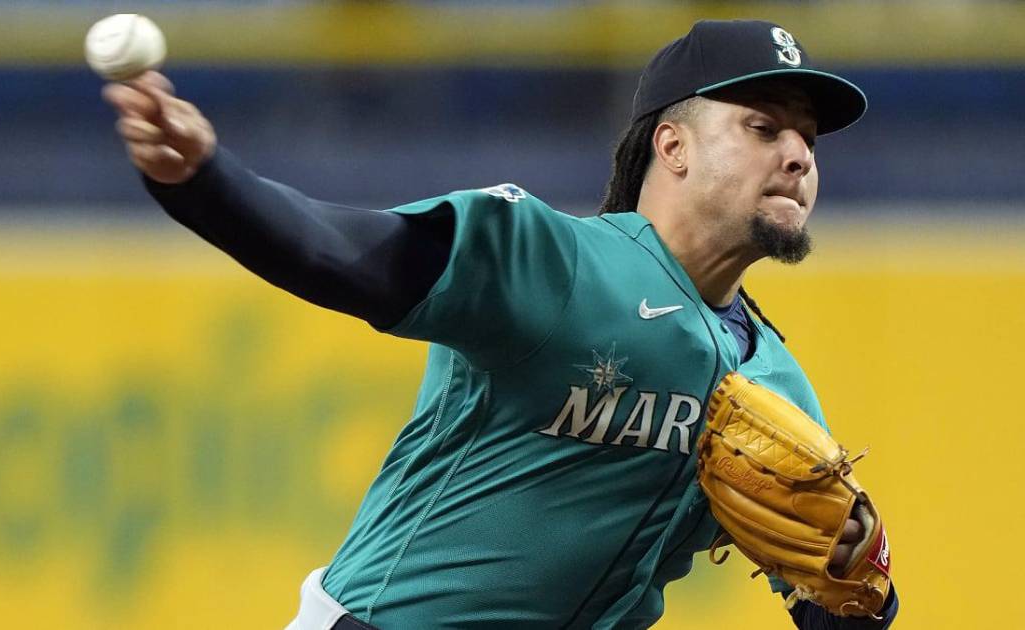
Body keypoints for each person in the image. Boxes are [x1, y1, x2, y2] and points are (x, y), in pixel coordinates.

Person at [103, 19, 898, 630]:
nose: (799, 155)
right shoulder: (553, 261)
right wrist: (203, 182)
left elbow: (831, 609)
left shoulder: (776, 386)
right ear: (672, 145)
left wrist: (864, 587)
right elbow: (343, 254)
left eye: (807, 139)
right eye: (763, 127)